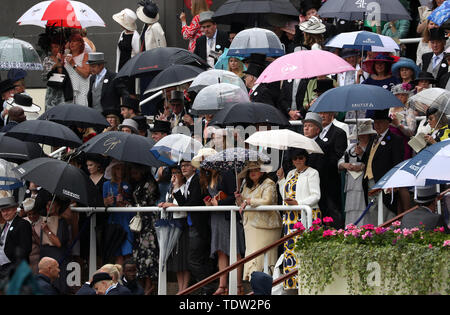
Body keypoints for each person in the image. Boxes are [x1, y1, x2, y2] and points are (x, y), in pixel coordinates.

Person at [160, 160, 215, 295]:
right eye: (182, 166)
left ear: (194, 168)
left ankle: (208, 287)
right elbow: (186, 203)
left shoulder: (196, 180)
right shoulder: (190, 181)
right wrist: (177, 187)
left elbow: (190, 204)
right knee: (196, 259)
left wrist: (173, 205)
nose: (183, 168)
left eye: (187, 165)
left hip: (198, 225)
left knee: (193, 260)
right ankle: (206, 287)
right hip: (192, 225)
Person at [276, 148, 321, 292]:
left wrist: (299, 203)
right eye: (295, 158)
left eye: (300, 158)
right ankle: (292, 285)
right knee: (291, 250)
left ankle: (308, 283)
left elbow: (316, 195)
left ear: (305, 158)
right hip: (290, 217)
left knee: (305, 249)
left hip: (306, 214)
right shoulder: (290, 173)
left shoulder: (313, 173)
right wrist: (281, 179)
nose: (298, 161)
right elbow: (284, 193)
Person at [235, 161, 282, 286]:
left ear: (262, 171)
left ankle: (266, 287)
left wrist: (249, 201)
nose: (253, 173)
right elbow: (242, 204)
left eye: (256, 170)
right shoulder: (246, 185)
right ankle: (257, 288)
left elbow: (268, 201)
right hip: (250, 226)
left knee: (262, 258)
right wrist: (239, 199)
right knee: (252, 256)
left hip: (266, 226)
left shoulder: (269, 183)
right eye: (251, 171)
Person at [200, 166, 244, 295]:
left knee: (234, 250)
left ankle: (238, 286)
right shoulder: (209, 176)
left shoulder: (226, 174)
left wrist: (219, 203)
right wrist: (209, 203)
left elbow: (233, 196)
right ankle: (222, 285)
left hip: (227, 216)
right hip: (216, 217)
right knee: (220, 251)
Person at [361, 109, 405, 224]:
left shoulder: (396, 140)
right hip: (370, 180)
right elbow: (368, 159)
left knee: (387, 211)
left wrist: (393, 182)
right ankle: (375, 234)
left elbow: (397, 163)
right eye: (375, 122)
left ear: (387, 123)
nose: (377, 125)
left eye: (380, 122)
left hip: (385, 181)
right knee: (372, 209)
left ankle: (388, 236)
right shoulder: (373, 139)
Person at [129, 163, 160, 295]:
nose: (133, 175)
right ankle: (142, 287)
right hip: (141, 222)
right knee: (140, 255)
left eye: (135, 172)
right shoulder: (138, 183)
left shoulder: (149, 183)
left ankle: (149, 286)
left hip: (149, 223)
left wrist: (132, 205)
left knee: (149, 255)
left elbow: (147, 200)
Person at [338, 121, 375, 226]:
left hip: (365, 181)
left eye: (364, 134)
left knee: (364, 206)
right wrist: (345, 165)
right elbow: (340, 161)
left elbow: (374, 163)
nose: (362, 137)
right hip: (351, 183)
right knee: (352, 208)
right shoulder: (351, 147)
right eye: (360, 135)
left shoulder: (372, 147)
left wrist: (362, 164)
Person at [317, 110, 348, 228]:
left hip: (330, 179)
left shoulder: (338, 132)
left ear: (332, 114)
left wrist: (322, 159)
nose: (322, 115)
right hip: (316, 179)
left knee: (333, 210)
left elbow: (338, 155)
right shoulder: (315, 132)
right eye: (320, 113)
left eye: (325, 113)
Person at [163, 164, 190, 293]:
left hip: (182, 225)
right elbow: (165, 202)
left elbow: (182, 207)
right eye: (172, 173)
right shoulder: (169, 190)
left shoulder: (185, 188)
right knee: (176, 259)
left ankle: (184, 288)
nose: (174, 176)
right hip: (172, 224)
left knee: (183, 257)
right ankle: (180, 288)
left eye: (177, 173)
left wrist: (169, 204)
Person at [103, 160, 134, 265]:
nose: (119, 171)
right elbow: (103, 202)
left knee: (128, 250)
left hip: (126, 218)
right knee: (117, 252)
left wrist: (124, 201)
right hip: (114, 220)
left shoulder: (129, 184)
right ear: (113, 170)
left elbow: (133, 201)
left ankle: (126, 278)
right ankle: (118, 279)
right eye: (117, 168)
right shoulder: (106, 185)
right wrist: (108, 201)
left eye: (121, 168)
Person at [39, 195, 71, 294]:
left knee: (58, 285)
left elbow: (58, 243)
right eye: (47, 205)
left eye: (52, 204)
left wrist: (47, 230)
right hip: (45, 254)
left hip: (57, 257)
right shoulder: (44, 220)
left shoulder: (62, 222)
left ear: (58, 207)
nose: (49, 207)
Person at [0, 191, 32, 279]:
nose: (5, 213)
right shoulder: (7, 224)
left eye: (8, 210)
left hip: (15, 269)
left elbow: (26, 249)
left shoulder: (23, 224)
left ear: (15, 209)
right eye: (3, 211)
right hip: (4, 268)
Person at [42, 40, 72, 110]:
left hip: (62, 90)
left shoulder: (65, 58)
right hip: (52, 90)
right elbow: (44, 77)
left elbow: (63, 75)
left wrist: (61, 62)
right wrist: (56, 65)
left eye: (56, 47)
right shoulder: (47, 59)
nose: (54, 49)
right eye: (52, 47)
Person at [390, 83, 416, 160]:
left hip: (402, 143)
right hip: (388, 142)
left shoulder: (408, 111)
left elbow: (411, 131)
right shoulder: (389, 109)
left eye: (403, 95)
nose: (400, 97)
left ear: (407, 97)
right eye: (398, 95)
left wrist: (398, 125)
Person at [63, 34, 91, 106]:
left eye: (74, 41)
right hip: (68, 91)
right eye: (70, 41)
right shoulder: (66, 57)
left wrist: (73, 64)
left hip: (81, 89)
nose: (71, 43)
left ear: (80, 43)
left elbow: (85, 74)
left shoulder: (85, 56)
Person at [113, 9, 140, 73]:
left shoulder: (135, 36)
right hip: (121, 67)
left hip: (130, 69)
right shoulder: (123, 33)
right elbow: (119, 52)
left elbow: (137, 53)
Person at [23, 198, 43, 274]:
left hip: (39, 258)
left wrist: (34, 234)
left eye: (34, 213)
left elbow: (43, 245)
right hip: (26, 260)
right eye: (29, 214)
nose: (32, 216)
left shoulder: (43, 222)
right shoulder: (23, 222)